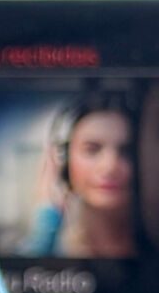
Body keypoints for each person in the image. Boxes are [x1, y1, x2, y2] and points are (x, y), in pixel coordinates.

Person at [23, 91, 140, 258]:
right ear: (65, 161)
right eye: (92, 149)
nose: (110, 166)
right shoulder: (46, 246)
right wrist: (45, 227)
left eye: (127, 151)